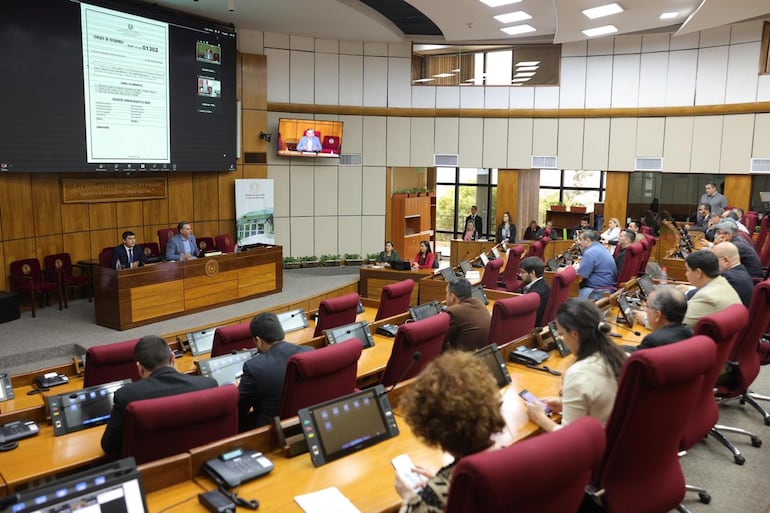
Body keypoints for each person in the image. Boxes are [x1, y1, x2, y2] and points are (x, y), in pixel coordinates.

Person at [395, 351, 504, 513]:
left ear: (430, 431)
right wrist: (441, 483)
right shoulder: (515, 459)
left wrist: (410, 500)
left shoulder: (428, 502)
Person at [101, 335, 218, 455]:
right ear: (173, 358)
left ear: (139, 368)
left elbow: (110, 446)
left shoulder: (126, 396)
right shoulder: (208, 385)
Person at [526, 298, 626, 431]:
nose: (561, 339)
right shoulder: (622, 356)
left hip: (600, 448)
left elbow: (569, 441)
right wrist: (566, 405)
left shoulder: (578, 374)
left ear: (574, 334)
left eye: (561, 334)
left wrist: (540, 418)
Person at [237, 312, 313, 431]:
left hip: (272, 434)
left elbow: (239, 410)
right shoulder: (309, 352)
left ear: (258, 341)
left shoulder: (254, 367)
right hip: (306, 424)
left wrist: (237, 387)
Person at [682, 250, 741, 329]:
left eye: (687, 270)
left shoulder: (706, 297)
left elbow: (677, 326)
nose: (686, 274)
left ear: (698, 273)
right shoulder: (722, 282)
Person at [629, 286, 692, 352]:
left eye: (647, 306)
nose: (644, 310)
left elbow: (636, 357)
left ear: (658, 315)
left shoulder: (653, 340)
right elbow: (638, 349)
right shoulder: (688, 332)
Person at [443, 277, 490, 352]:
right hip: (482, 354)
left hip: (463, 358)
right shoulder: (479, 302)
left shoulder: (454, 311)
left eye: (447, 293)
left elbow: (441, 340)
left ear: (452, 297)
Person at [576, 229, 617, 299]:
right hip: (608, 287)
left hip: (598, 290)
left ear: (587, 240)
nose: (579, 242)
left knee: (569, 296)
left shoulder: (590, 252)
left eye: (581, 240)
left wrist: (570, 270)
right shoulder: (600, 247)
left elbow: (581, 276)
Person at [712, 242, 754, 307]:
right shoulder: (742, 271)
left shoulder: (727, 277)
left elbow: (704, 295)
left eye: (713, 260)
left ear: (726, 260)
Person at [518, 256, 550, 327]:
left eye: (522, 272)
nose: (520, 275)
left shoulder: (535, 294)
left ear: (532, 273)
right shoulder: (544, 284)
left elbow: (528, 319)